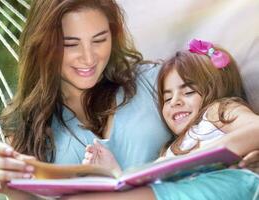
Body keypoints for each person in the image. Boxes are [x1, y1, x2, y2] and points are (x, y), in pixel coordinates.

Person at [0, 0, 258, 199]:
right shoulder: (27, 130)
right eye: (70, 44)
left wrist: (249, 148)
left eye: (99, 39)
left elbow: (221, 115)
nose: (88, 57)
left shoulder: (158, 81)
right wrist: (14, 188)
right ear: (44, 45)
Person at [76, 39, 259, 200]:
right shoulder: (170, 150)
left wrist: (218, 149)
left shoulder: (216, 111)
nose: (175, 102)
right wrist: (114, 172)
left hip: (230, 184)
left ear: (216, 89)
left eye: (188, 92)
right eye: (167, 98)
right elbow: (145, 184)